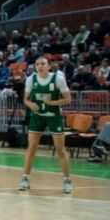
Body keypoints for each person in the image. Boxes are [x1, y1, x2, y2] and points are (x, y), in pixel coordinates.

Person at [20, 56, 73, 193]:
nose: (40, 66)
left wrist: (52, 103)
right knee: (31, 148)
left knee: (60, 149)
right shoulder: (31, 79)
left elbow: (68, 99)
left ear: (49, 66)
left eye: (43, 64)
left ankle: (67, 180)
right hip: (37, 117)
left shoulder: (58, 79)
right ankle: (25, 178)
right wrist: (30, 104)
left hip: (54, 117)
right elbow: (25, 99)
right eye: (37, 64)